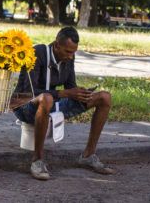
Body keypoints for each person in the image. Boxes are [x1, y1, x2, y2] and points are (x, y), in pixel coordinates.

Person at [12, 26, 114, 180]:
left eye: (74, 52)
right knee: (46, 98)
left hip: (51, 102)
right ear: (56, 45)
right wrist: (64, 93)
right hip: (24, 105)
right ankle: (37, 161)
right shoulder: (36, 53)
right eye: (68, 52)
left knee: (104, 97)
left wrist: (81, 93)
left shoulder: (68, 59)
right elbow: (29, 92)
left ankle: (88, 155)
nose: (71, 56)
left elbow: (70, 87)